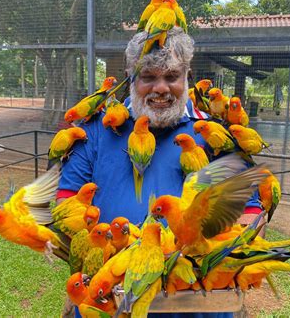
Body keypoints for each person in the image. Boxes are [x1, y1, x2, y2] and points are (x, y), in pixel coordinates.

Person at [58, 27, 263, 317]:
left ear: (187, 77)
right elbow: (66, 206)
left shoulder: (216, 133)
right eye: (148, 77)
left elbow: (251, 213)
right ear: (131, 78)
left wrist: (215, 260)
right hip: (112, 303)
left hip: (196, 306)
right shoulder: (95, 129)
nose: (161, 88)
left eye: (171, 77)